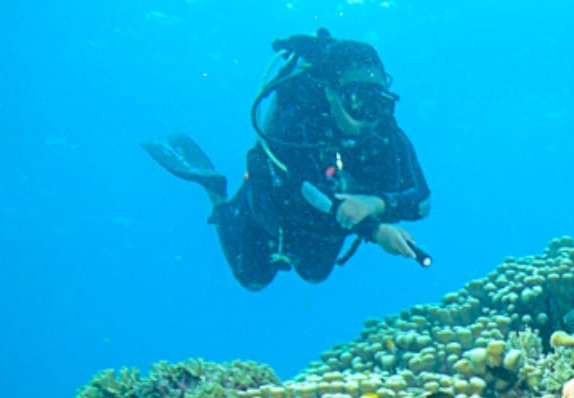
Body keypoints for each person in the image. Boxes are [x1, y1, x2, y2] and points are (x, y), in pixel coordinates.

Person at [143, 30, 431, 290]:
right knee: (252, 278)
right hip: (279, 207)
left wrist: (376, 203)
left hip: (335, 218)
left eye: (378, 102)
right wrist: (375, 230)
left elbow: (422, 200)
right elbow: (304, 196)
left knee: (314, 274)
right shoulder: (297, 125)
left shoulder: (385, 129)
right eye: (356, 99)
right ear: (330, 92)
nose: (369, 115)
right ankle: (218, 195)